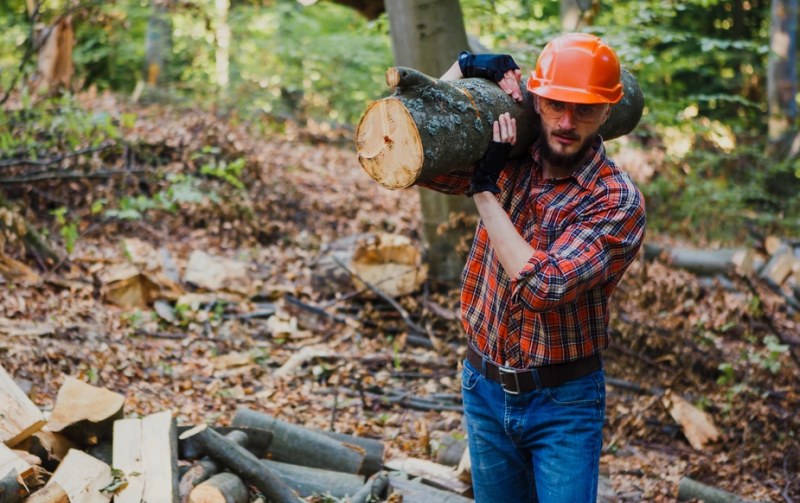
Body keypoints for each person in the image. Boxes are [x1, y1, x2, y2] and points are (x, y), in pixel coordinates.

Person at [419, 33, 647, 502]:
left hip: (563, 404)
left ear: (607, 112)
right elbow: (414, 151)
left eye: (584, 110)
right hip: (483, 387)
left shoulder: (616, 200)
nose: (566, 122)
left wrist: (484, 191)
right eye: (556, 105)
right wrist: (462, 69)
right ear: (536, 99)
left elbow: (543, 284)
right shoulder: (509, 155)